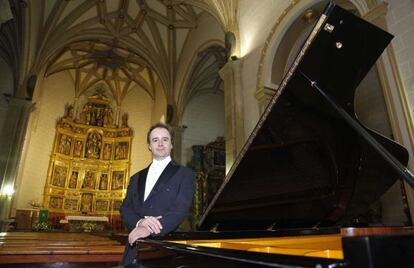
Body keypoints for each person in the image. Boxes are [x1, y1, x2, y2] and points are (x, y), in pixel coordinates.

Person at [120, 123, 194, 266]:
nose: (160, 144)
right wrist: (140, 222)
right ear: (149, 146)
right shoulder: (136, 178)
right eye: (155, 140)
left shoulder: (185, 174)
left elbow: (180, 209)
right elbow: (125, 208)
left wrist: (149, 228)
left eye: (165, 139)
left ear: (171, 144)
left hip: (164, 250)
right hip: (134, 247)